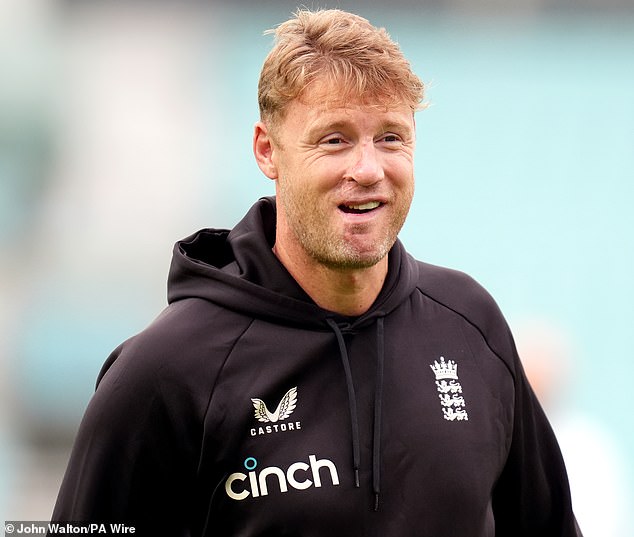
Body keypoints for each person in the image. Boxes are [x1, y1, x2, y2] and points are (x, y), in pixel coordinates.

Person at [49, 8, 582, 536]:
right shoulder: (164, 372)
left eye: (391, 137)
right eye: (335, 139)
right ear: (267, 150)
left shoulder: (471, 325)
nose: (368, 169)